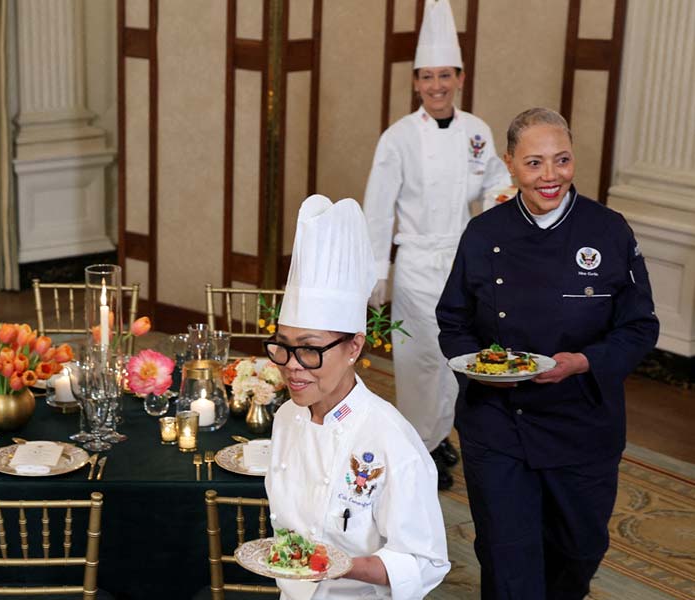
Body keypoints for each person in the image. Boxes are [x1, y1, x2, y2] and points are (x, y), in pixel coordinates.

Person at [436, 107, 659, 599]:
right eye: (534, 163)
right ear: (510, 164)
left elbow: (640, 326)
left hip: (583, 422)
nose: (550, 175)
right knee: (506, 555)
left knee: (578, 551)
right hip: (498, 423)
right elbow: (453, 321)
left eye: (561, 160)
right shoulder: (484, 234)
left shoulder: (608, 231)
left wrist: (585, 362)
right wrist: (483, 367)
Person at [264, 194, 450, 600]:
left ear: (353, 348)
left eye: (310, 349)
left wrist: (345, 565)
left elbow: (427, 562)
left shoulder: (390, 438)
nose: (292, 365)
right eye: (282, 347)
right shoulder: (286, 419)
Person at [362, 0, 512, 489]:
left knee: (459, 357)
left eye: (445, 75)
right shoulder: (398, 138)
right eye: (427, 77)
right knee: (418, 359)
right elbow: (378, 207)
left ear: (460, 78)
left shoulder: (476, 132)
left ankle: (436, 437)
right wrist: (376, 273)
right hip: (419, 264)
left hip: (464, 261)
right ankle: (418, 448)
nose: (436, 86)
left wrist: (499, 212)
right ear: (416, 82)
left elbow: (494, 183)